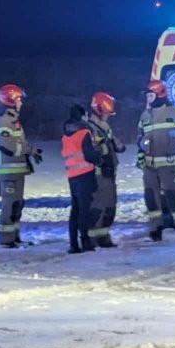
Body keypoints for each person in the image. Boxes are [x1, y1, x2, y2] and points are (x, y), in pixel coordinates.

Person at [137, 79, 175, 242]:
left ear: (159, 95)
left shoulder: (174, 113)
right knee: (151, 199)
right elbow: (140, 137)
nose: (147, 99)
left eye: (150, 95)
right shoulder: (145, 116)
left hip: (168, 166)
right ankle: (155, 230)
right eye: (147, 96)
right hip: (149, 166)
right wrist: (141, 148)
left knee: (173, 198)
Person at [0, 84, 42, 248]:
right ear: (12, 100)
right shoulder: (3, 122)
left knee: (17, 205)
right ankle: (6, 240)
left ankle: (14, 237)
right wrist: (28, 150)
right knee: (10, 205)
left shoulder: (13, 120)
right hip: (8, 172)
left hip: (16, 172)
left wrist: (33, 152)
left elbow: (19, 143)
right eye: (19, 99)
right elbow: (9, 147)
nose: (21, 103)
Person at [62, 104, 102, 254]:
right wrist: (98, 157)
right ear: (82, 117)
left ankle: (73, 244)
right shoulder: (85, 132)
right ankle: (85, 241)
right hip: (85, 174)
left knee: (75, 210)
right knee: (84, 210)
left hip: (72, 176)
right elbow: (88, 155)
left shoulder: (66, 134)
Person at [87, 92, 125, 248]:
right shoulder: (90, 127)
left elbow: (112, 143)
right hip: (98, 173)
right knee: (98, 206)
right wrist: (105, 148)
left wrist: (117, 145)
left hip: (109, 172)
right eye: (107, 113)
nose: (108, 116)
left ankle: (103, 235)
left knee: (110, 206)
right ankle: (91, 237)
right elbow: (91, 150)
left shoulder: (104, 126)